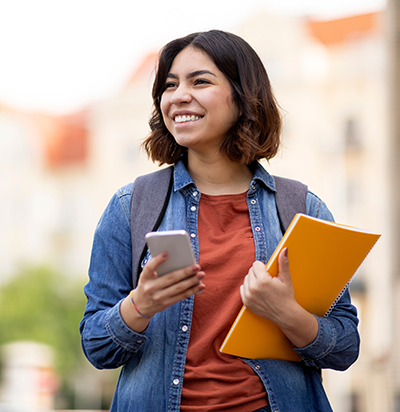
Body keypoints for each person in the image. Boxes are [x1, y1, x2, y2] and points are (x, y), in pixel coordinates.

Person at [80, 30, 360, 412]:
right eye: (169, 85)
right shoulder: (131, 207)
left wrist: (287, 314)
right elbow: (97, 346)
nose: (179, 95)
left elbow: (344, 347)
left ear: (243, 96)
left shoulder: (301, 208)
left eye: (200, 81)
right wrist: (140, 305)